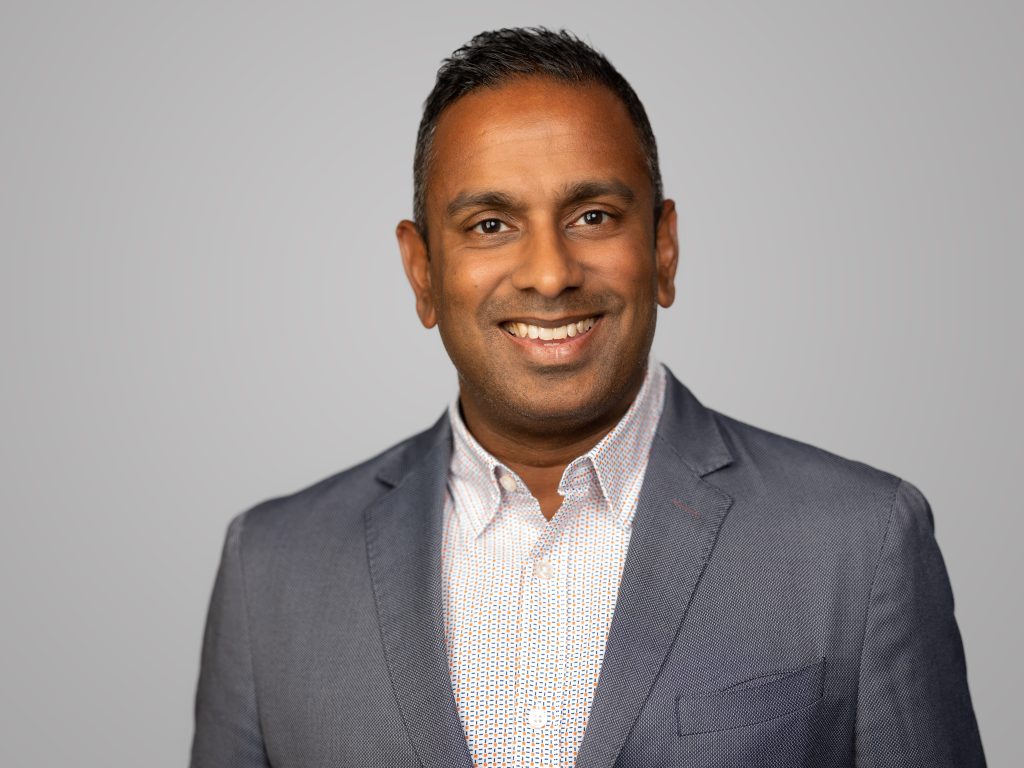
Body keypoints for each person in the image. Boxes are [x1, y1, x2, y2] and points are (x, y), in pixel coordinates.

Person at [190, 27, 985, 768]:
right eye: (491, 224)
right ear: (422, 272)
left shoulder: (859, 543)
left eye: (593, 216)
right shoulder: (272, 569)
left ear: (663, 248)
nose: (549, 273)